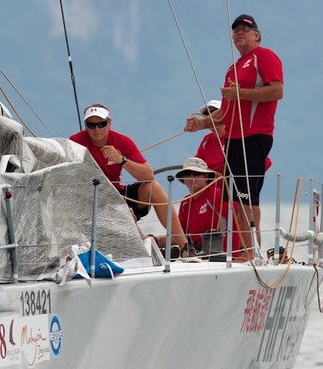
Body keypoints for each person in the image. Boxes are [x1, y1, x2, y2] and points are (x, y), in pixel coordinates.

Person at [184, 14, 283, 259]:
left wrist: (242, 94)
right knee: (236, 201)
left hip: (255, 135)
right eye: (236, 30)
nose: (240, 32)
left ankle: (253, 252)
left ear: (256, 35)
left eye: (246, 29)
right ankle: (246, 250)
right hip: (234, 140)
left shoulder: (265, 56)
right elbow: (227, 113)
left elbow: (277, 90)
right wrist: (201, 124)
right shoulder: (233, 70)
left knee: (248, 198)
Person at [70, 103, 187, 249]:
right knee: (124, 214)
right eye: (91, 125)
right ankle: (147, 244)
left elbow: (148, 175)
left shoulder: (121, 141)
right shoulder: (75, 143)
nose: (97, 129)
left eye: (102, 123)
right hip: (91, 199)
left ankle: (185, 248)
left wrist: (121, 160)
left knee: (154, 188)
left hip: (118, 194)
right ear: (85, 125)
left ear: (109, 123)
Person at [175, 156, 223, 250]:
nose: (192, 178)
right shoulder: (185, 203)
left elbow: (236, 223)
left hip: (219, 250)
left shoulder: (218, 195)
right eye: (188, 174)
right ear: (183, 179)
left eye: (196, 174)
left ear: (205, 177)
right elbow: (178, 232)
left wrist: (234, 255)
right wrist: (155, 239)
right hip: (197, 251)